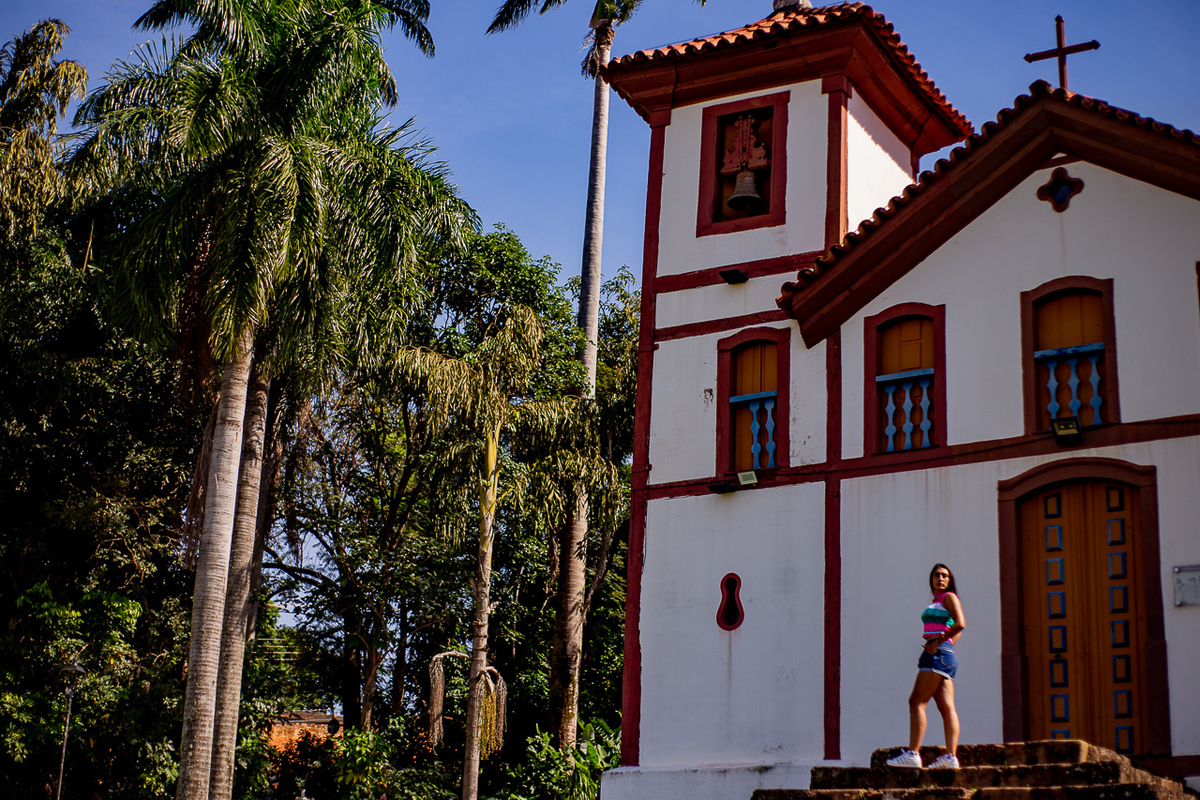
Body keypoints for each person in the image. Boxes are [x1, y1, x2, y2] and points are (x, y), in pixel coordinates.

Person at [886, 563, 966, 769]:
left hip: (938, 655)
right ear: (931, 579)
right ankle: (950, 757)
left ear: (949, 580)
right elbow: (955, 631)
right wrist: (943, 643)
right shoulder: (938, 601)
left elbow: (960, 625)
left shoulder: (949, 597)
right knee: (947, 708)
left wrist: (938, 642)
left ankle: (913, 754)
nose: (941, 578)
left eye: (945, 576)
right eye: (937, 575)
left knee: (916, 702)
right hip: (944, 655)